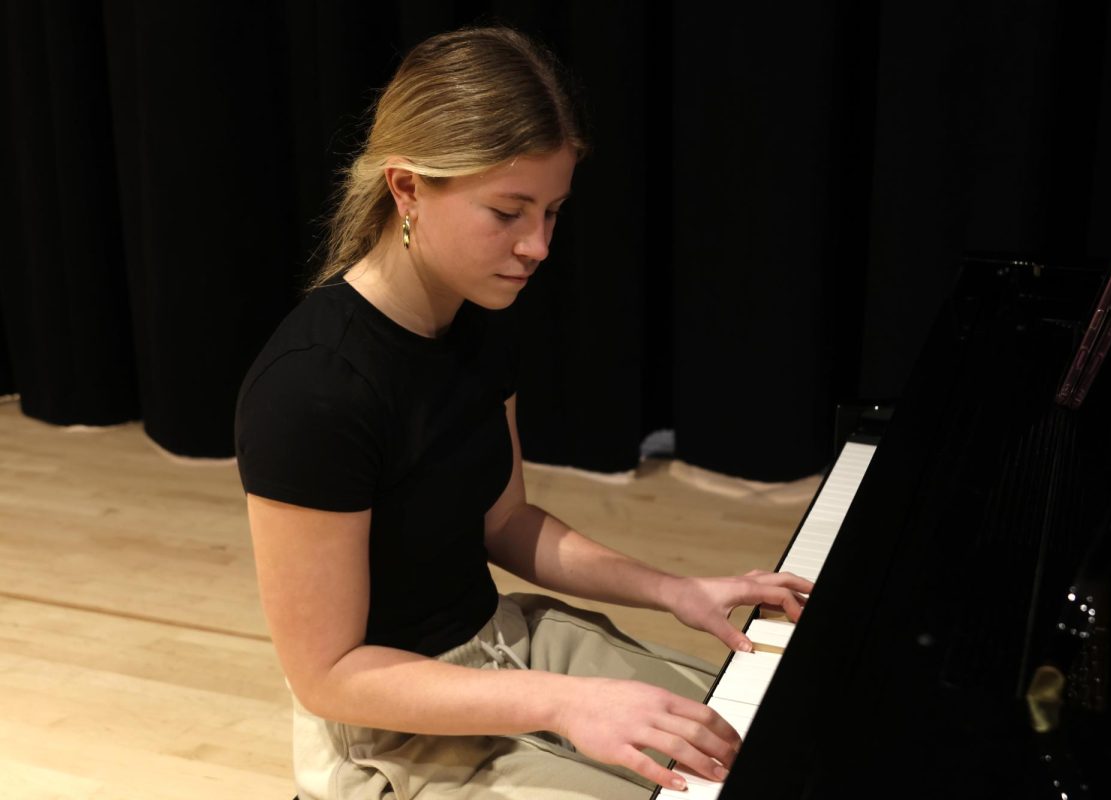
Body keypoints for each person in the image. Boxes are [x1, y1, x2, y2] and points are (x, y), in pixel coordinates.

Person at [234, 24, 814, 800]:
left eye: (552, 212)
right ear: (406, 188)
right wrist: (565, 702)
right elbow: (329, 677)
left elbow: (505, 523)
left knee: (769, 748)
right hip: (393, 730)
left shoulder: (475, 319)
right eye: (508, 212)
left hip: (509, 645)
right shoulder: (311, 391)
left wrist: (676, 590)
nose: (537, 246)